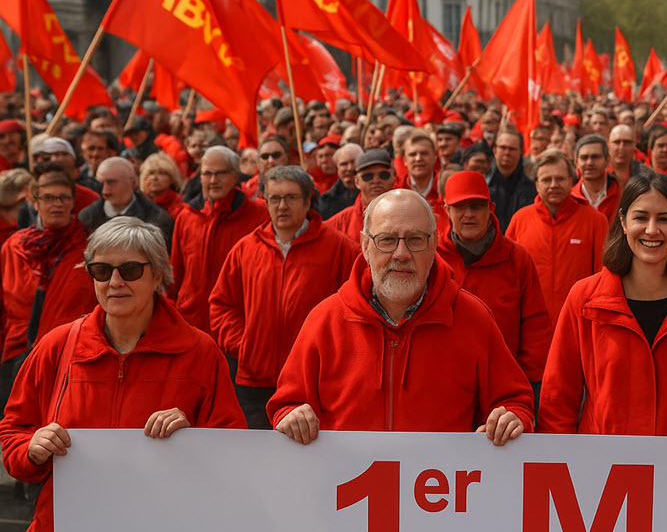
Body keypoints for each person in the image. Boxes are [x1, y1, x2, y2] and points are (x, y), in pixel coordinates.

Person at [0, 217, 246, 532]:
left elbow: (232, 452)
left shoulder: (200, 351)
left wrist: (194, 438)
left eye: (130, 270)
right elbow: (13, 430)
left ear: (158, 275)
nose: (114, 282)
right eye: (101, 270)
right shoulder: (56, 346)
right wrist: (32, 448)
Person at [267, 189, 534, 444]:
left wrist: (511, 417)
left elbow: (514, 400)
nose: (401, 254)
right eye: (387, 240)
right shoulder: (325, 319)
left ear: (433, 244)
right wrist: (291, 415)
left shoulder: (473, 317)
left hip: (438, 489)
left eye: (416, 240)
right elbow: (286, 403)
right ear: (365, 244)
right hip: (349, 486)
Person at [538, 173, 667, 436]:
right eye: (640, 218)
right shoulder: (584, 298)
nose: (652, 230)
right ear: (623, 223)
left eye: (664, 219)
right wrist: (559, 464)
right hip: (601, 468)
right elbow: (558, 398)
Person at [209, 166, 358, 429]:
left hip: (314, 381)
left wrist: (334, 353)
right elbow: (221, 305)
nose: (282, 206)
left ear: (307, 200)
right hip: (254, 383)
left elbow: (356, 307)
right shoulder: (246, 248)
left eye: (290, 198)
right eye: (274, 199)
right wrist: (243, 345)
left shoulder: (340, 247)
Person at [435, 171, 553, 389]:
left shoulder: (517, 257)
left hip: (503, 384)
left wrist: (530, 384)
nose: (469, 214)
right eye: (460, 206)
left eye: (477, 206)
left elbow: (535, 325)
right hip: (444, 383)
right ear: (447, 211)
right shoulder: (433, 259)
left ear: (491, 209)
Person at [0, 163, 98, 410]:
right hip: (18, 353)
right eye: (49, 197)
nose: (57, 203)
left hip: (73, 353)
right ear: (35, 202)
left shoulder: (90, 247)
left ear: (74, 203)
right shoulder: (14, 247)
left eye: (64, 197)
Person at [169, 147, 269, 334]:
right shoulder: (186, 216)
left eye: (220, 174)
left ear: (235, 176)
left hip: (236, 326)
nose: (213, 180)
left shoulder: (259, 216)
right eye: (207, 174)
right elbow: (175, 271)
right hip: (190, 324)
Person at [507, 150, 608, 324]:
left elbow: (604, 279)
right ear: (537, 184)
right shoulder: (520, 220)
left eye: (560, 179)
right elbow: (506, 277)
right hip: (531, 326)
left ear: (571, 181)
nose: (553, 185)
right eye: (546, 180)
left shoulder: (595, 221)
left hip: (578, 324)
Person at [78, 157, 173, 245]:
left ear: (132, 184)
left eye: (111, 182)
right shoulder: (87, 218)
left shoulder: (157, 219)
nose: (105, 191)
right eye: (100, 183)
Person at [326, 149, 394, 242]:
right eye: (368, 176)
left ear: (393, 177)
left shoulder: (408, 215)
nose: (376, 181)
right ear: (357, 181)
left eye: (383, 175)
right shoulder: (340, 222)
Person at [486, 129, 537, 232]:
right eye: (503, 147)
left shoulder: (532, 189)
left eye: (512, 149)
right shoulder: (484, 186)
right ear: (495, 150)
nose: (507, 152)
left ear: (521, 152)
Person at [571, 135, 620, 222]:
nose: (589, 163)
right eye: (584, 157)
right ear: (576, 162)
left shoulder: (622, 194)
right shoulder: (569, 198)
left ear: (607, 160)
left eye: (595, 157)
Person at [317, 143, 363, 219]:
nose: (349, 168)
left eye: (353, 162)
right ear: (337, 167)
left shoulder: (374, 192)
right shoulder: (326, 201)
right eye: (344, 164)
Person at [138, 152, 186, 218]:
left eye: (161, 173)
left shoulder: (182, 204)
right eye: (151, 173)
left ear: (172, 178)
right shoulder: (137, 203)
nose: (154, 178)